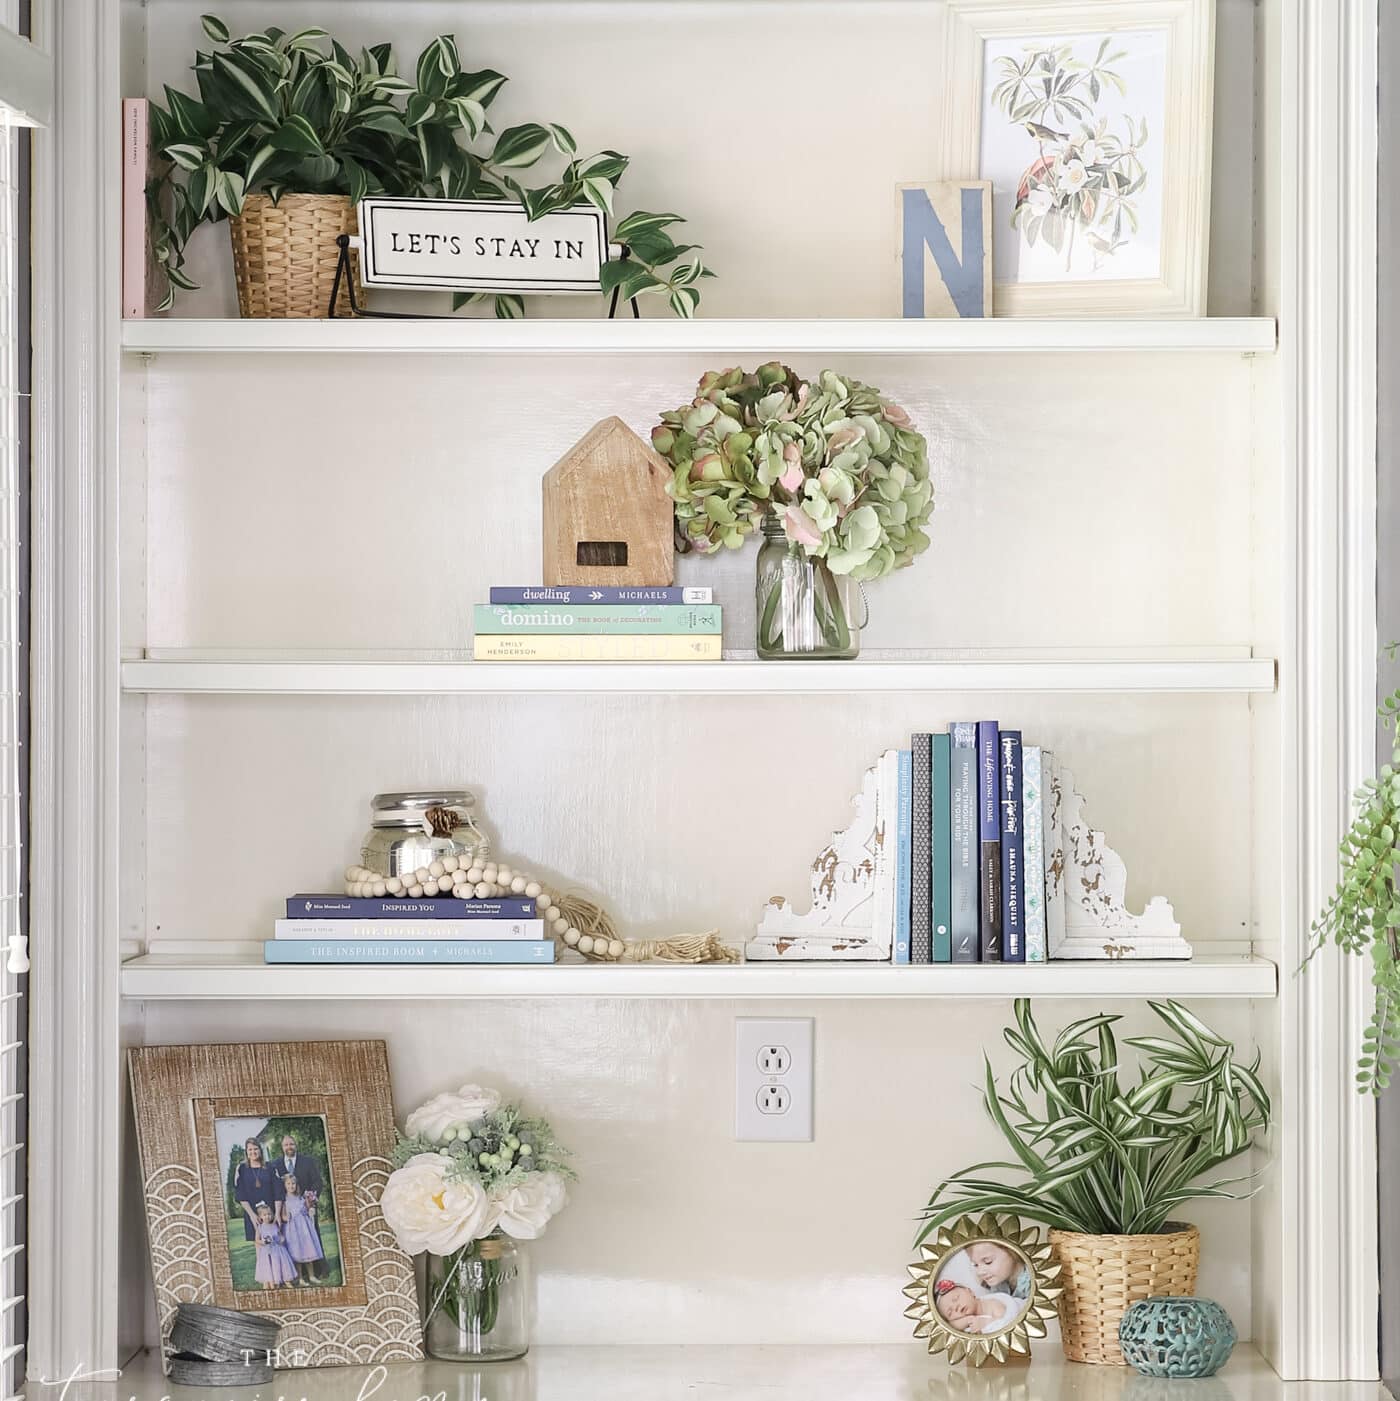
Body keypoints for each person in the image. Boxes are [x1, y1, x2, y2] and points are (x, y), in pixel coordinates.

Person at [270, 1133, 326, 1278]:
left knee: (312, 1238)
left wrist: (311, 1200)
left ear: (296, 1145)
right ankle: (295, 1274)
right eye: (286, 1144)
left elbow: (317, 1182)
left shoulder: (307, 1161)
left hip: (306, 1208)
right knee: (291, 1242)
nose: (289, 1147)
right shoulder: (275, 1164)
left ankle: (319, 1270)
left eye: (291, 1144)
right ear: (282, 1147)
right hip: (287, 1210)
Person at [233, 1139, 283, 1243]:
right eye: (250, 1149)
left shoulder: (270, 1167)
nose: (253, 1152)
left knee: (276, 1242)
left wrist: (277, 1213)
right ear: (246, 1152)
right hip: (252, 1212)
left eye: (255, 1149)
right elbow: (240, 1194)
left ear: (260, 1150)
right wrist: (252, 1214)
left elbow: (278, 1191)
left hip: (270, 1213)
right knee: (259, 1243)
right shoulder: (241, 1168)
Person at [280, 1175, 324, 1286]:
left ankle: (312, 1276)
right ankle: (300, 1278)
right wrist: (286, 1218)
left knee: (309, 1251)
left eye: (293, 1183)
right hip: (293, 1230)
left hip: (304, 1229)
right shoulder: (284, 1200)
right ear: (285, 1185)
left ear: (296, 1184)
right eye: (288, 1184)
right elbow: (283, 1216)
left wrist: (310, 1205)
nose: (291, 1186)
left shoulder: (301, 1197)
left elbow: (307, 1209)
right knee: (297, 1253)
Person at [934, 1280, 1015, 1334]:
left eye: (955, 1299)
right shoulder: (967, 1322)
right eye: (950, 1312)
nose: (956, 1307)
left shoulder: (992, 1304)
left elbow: (1007, 1323)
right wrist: (969, 1319)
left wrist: (985, 1322)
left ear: (970, 1292)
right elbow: (951, 1326)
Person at [965, 1240, 1032, 1299]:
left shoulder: (1032, 1282)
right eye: (976, 1265)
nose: (980, 1272)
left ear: (1011, 1250)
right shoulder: (998, 1286)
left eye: (988, 1262)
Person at [252, 1203, 297, 1290]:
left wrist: (282, 1239)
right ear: (260, 1216)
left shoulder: (275, 1225)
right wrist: (263, 1242)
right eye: (264, 1215)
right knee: (270, 1266)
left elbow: (280, 1236)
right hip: (267, 1251)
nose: (267, 1216)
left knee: (280, 1265)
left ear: (272, 1215)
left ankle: (286, 1281)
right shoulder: (260, 1227)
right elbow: (257, 1240)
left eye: (269, 1214)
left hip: (277, 1250)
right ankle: (271, 1282)